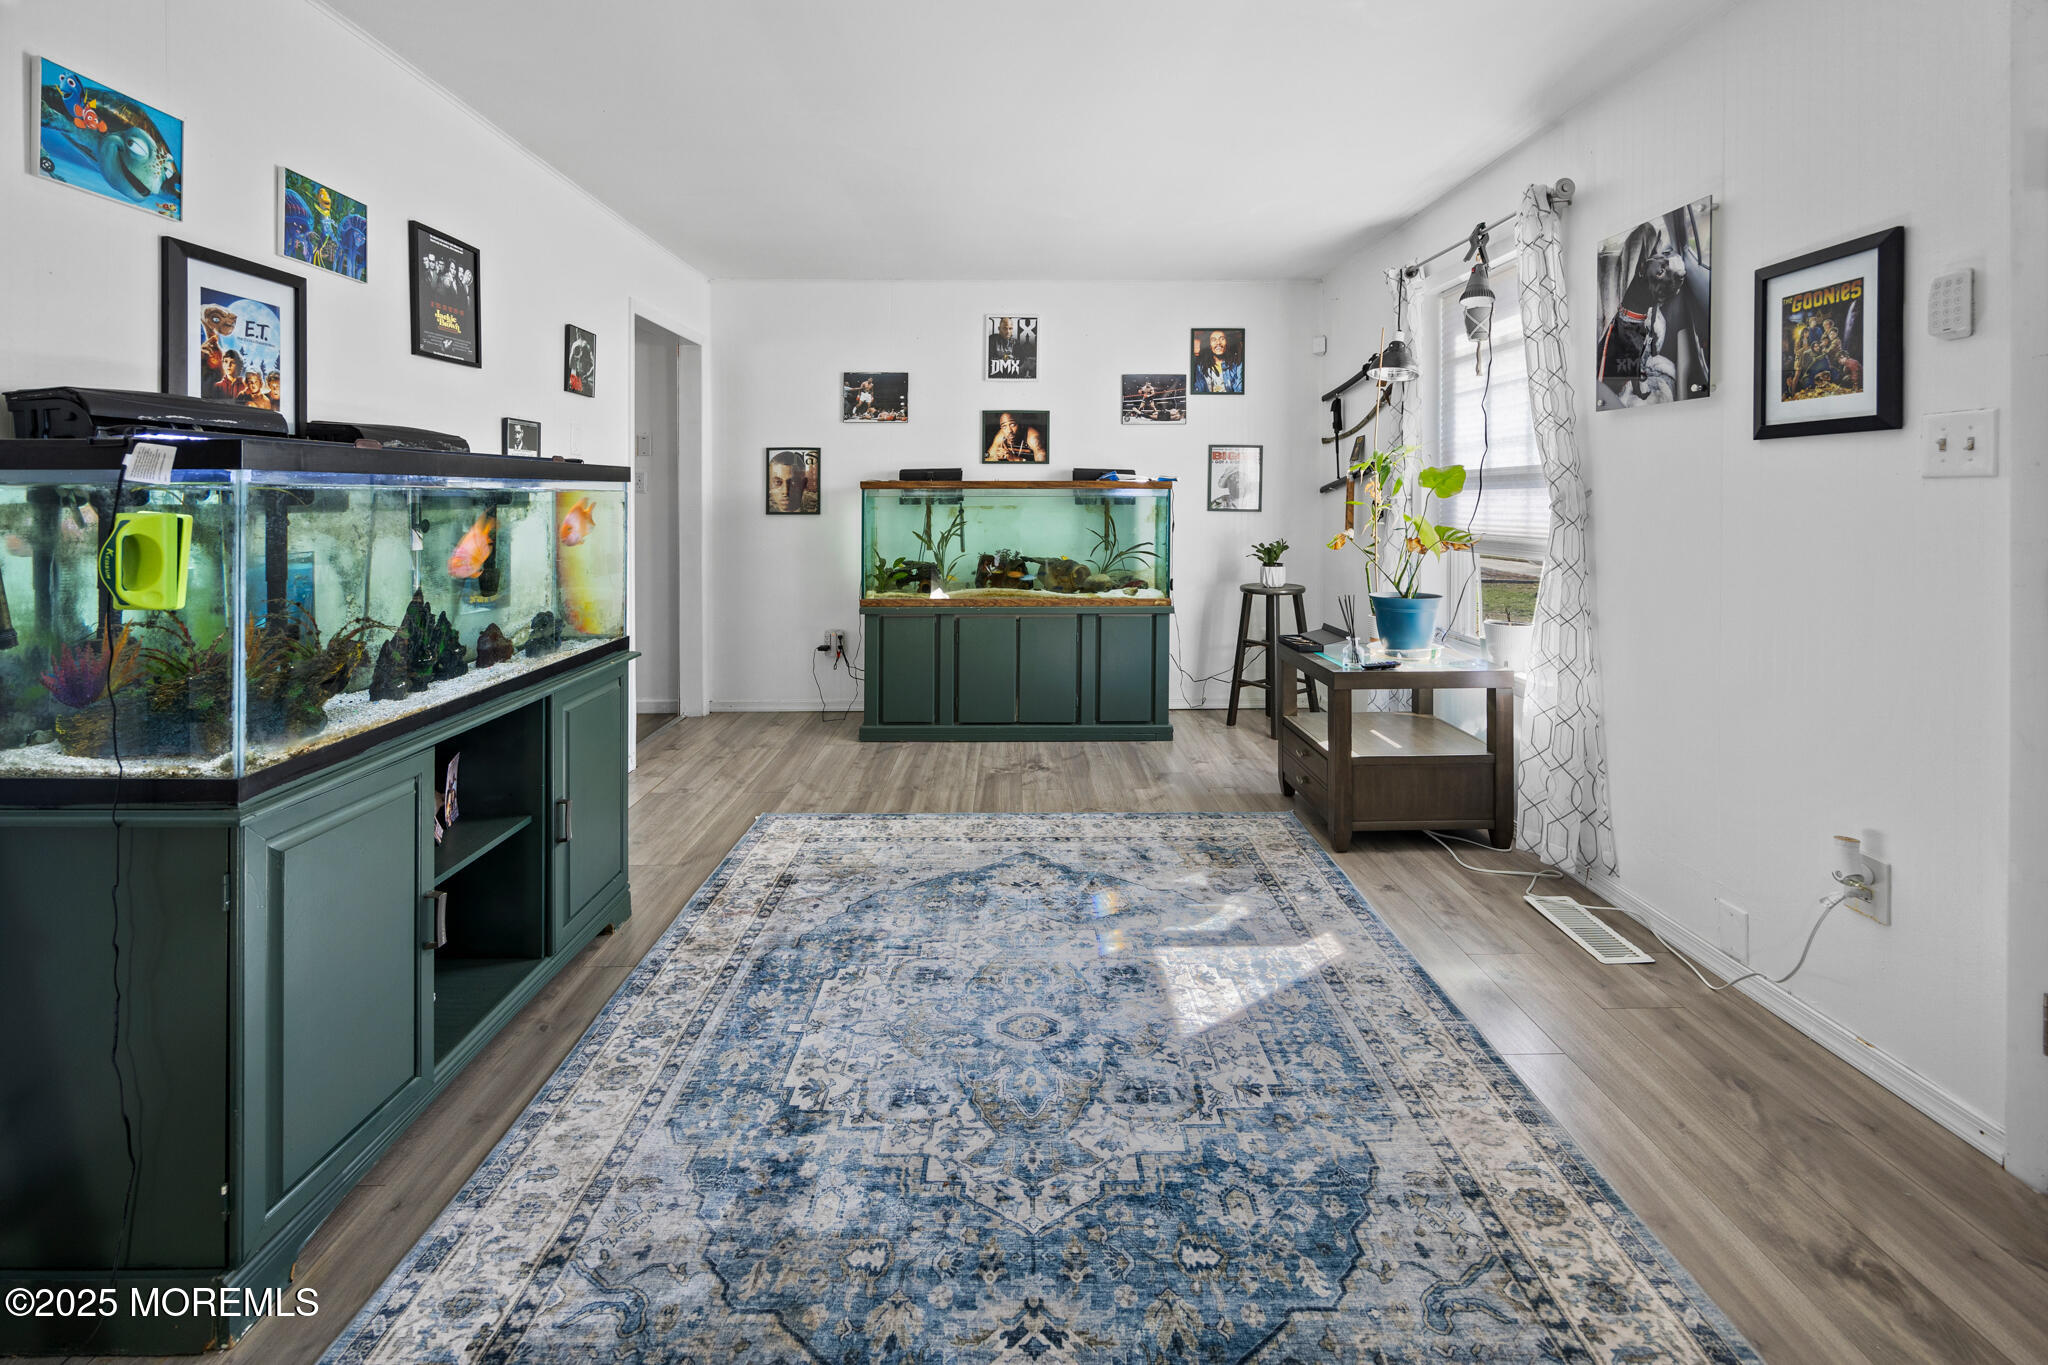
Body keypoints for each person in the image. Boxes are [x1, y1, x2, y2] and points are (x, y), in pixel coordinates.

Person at [1194, 329, 1243, 394]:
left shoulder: (1237, 364)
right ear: (1209, 344)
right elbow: (1199, 390)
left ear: (1227, 342)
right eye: (1213, 340)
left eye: (1222, 339)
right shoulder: (1200, 367)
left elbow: (1239, 390)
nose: (1218, 343)